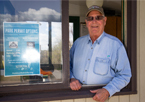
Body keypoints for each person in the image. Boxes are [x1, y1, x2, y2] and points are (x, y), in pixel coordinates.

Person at [69, 5, 132, 102]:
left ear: (104, 21)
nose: (94, 21)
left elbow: (125, 75)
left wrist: (107, 90)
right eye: (90, 18)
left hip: (101, 99)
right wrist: (71, 78)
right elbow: (67, 65)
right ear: (86, 22)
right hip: (76, 96)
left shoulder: (116, 45)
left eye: (98, 18)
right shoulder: (77, 43)